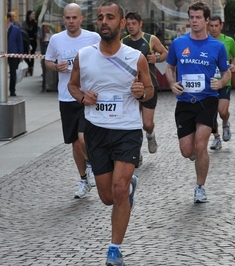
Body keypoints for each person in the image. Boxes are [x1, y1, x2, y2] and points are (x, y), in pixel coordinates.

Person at [68, 2, 153, 265]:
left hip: (127, 129)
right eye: (101, 17)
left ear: (121, 23)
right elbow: (72, 85)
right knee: (107, 197)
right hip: (96, 130)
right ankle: (129, 188)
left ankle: (114, 249)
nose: (104, 21)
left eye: (110, 17)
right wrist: (83, 97)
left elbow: (150, 90)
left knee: (118, 189)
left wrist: (142, 92)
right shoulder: (84, 54)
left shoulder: (134, 57)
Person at [165, 1, 231, 203]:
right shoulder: (178, 43)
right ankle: (194, 154)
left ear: (207, 20)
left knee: (201, 144)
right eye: (191, 17)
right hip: (185, 101)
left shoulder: (217, 46)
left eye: (198, 17)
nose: (194, 21)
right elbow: (169, 67)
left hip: (207, 100)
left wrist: (220, 83)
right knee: (188, 151)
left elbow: (227, 71)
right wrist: (171, 83)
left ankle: (200, 187)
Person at [45, 3, 101, 198]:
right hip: (66, 97)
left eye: (74, 18)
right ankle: (84, 178)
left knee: (83, 138)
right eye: (67, 18)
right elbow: (48, 61)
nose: (70, 22)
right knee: (75, 144)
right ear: (63, 19)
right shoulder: (56, 40)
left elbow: (104, 56)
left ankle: (94, 166)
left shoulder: (93, 38)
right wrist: (55, 67)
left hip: (87, 96)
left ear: (81, 19)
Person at [121, 10, 168, 162]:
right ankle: (136, 154)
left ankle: (150, 134)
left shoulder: (150, 39)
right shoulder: (123, 42)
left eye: (134, 23)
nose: (131, 27)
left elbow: (165, 53)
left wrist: (157, 58)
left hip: (149, 86)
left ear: (140, 24)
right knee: (133, 124)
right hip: (131, 88)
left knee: (146, 124)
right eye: (128, 24)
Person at [208, 15, 235, 150]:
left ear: (221, 26)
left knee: (222, 111)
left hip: (224, 81)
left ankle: (225, 123)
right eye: (211, 26)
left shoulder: (228, 41)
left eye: (216, 26)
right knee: (211, 113)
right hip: (209, 83)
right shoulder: (204, 41)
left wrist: (233, 65)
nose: (214, 29)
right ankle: (216, 137)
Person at [6, 12, 24, 97]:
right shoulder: (0, 28)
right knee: (1, 72)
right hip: (2, 53)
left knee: (13, 72)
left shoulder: (16, 29)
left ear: (8, 19)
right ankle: (1, 89)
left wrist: (21, 54)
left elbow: (19, 42)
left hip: (13, 53)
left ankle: (12, 90)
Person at [23, 10, 38, 76]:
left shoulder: (35, 23)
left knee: (32, 55)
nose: (33, 16)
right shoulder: (25, 23)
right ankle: (28, 66)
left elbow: (35, 31)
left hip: (33, 41)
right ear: (29, 15)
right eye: (32, 14)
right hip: (26, 40)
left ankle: (31, 67)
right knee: (25, 54)